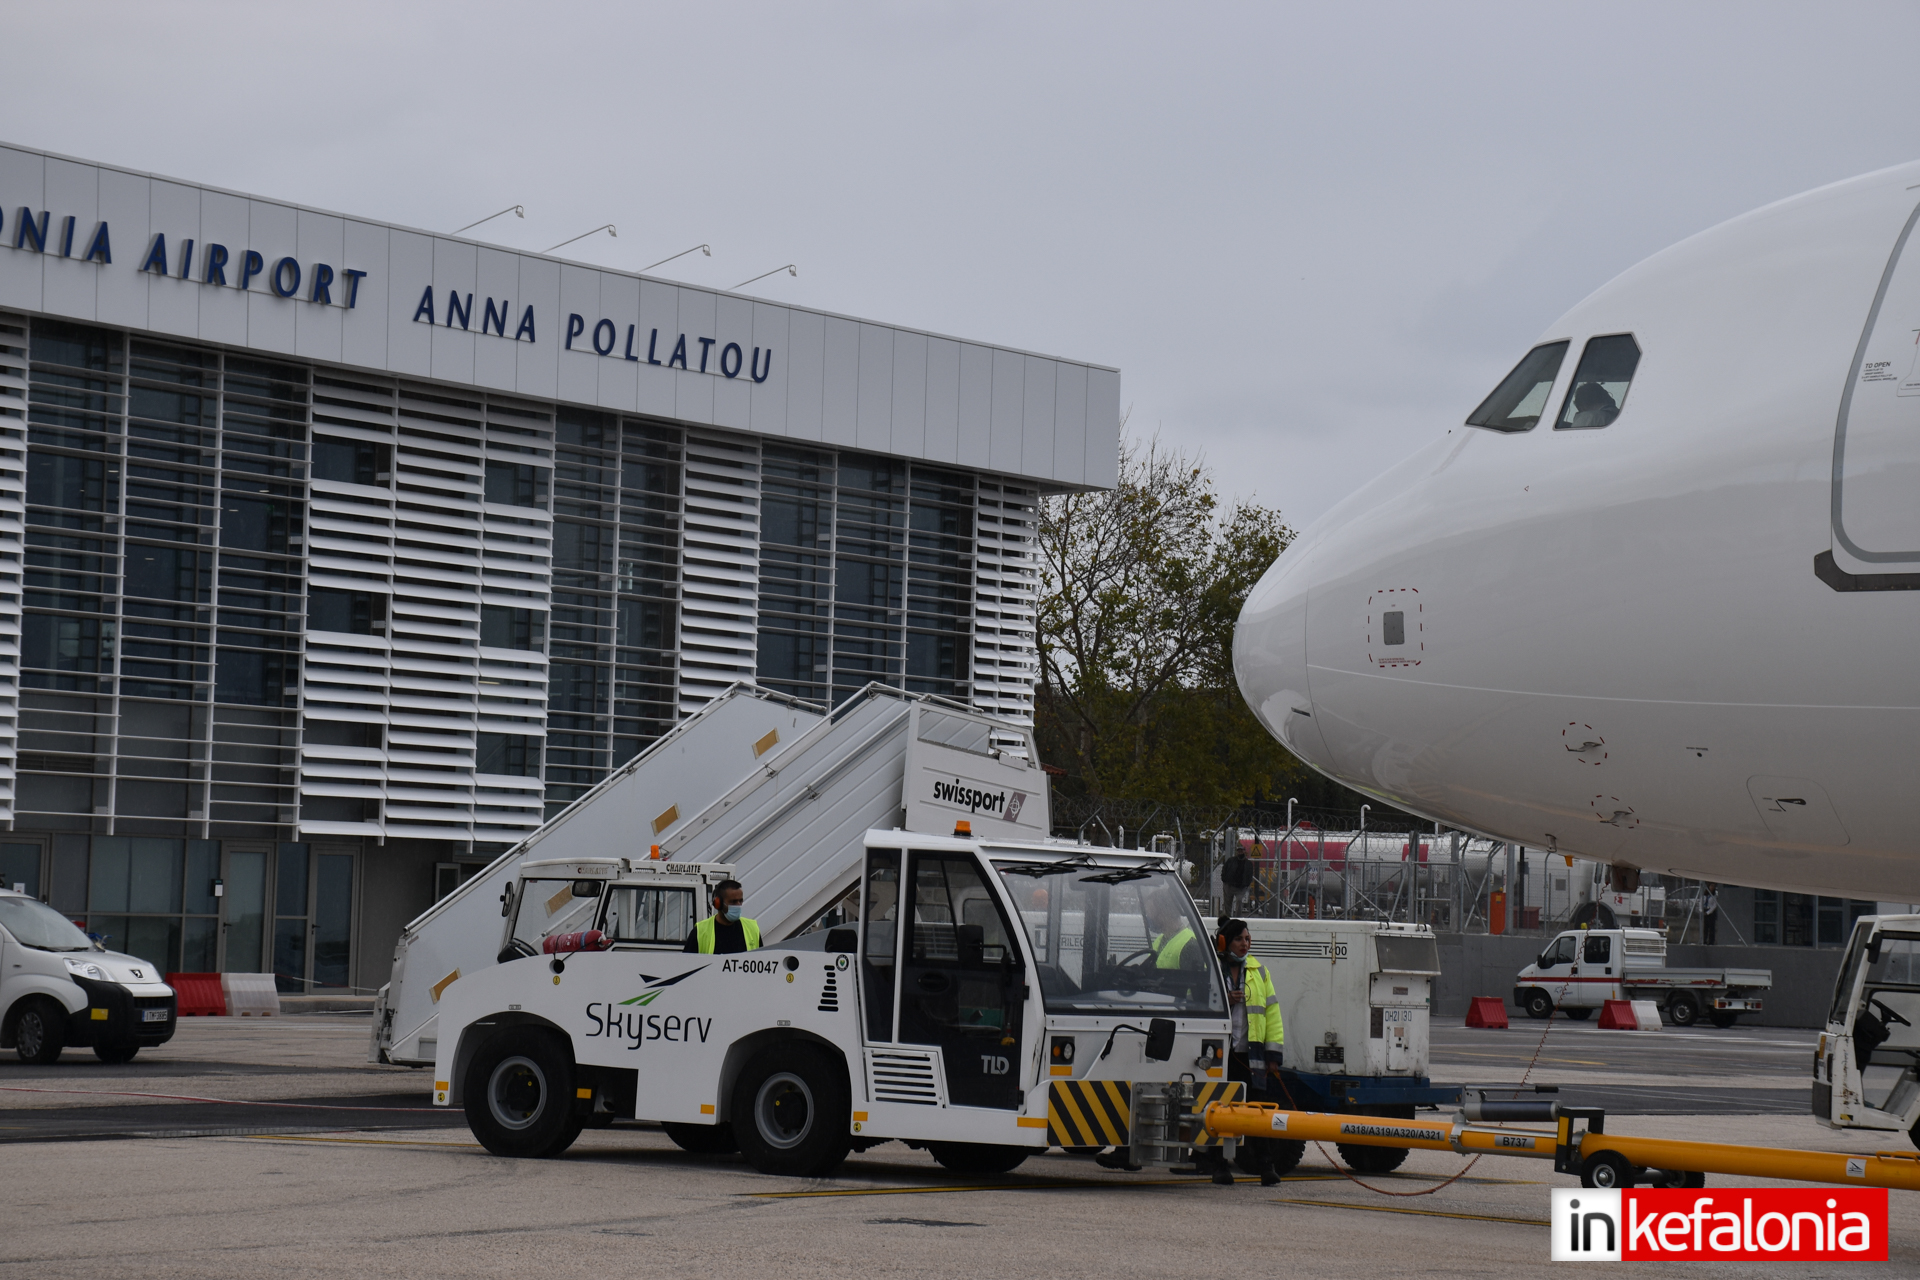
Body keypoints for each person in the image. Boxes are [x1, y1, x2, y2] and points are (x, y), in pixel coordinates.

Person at [1211, 917, 1284, 1186]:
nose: (1245, 944)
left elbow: (1273, 1015)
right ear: (1226, 942)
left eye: (1248, 939)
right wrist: (1224, 1000)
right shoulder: (1213, 969)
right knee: (1221, 1110)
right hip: (1220, 1055)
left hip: (1250, 1056)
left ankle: (1266, 1166)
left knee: (1256, 1112)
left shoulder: (1259, 972)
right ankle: (1219, 1165)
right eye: (1239, 939)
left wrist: (1273, 1056)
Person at [685, 879, 760, 953]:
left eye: (740, 901)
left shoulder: (752, 928)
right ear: (718, 903)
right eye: (733, 902)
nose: (738, 905)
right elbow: (687, 962)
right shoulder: (700, 931)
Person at [1145, 888, 1199, 970]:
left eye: (1150, 912)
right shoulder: (1160, 940)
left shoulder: (1190, 945)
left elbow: (1195, 980)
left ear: (1165, 912)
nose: (1148, 917)